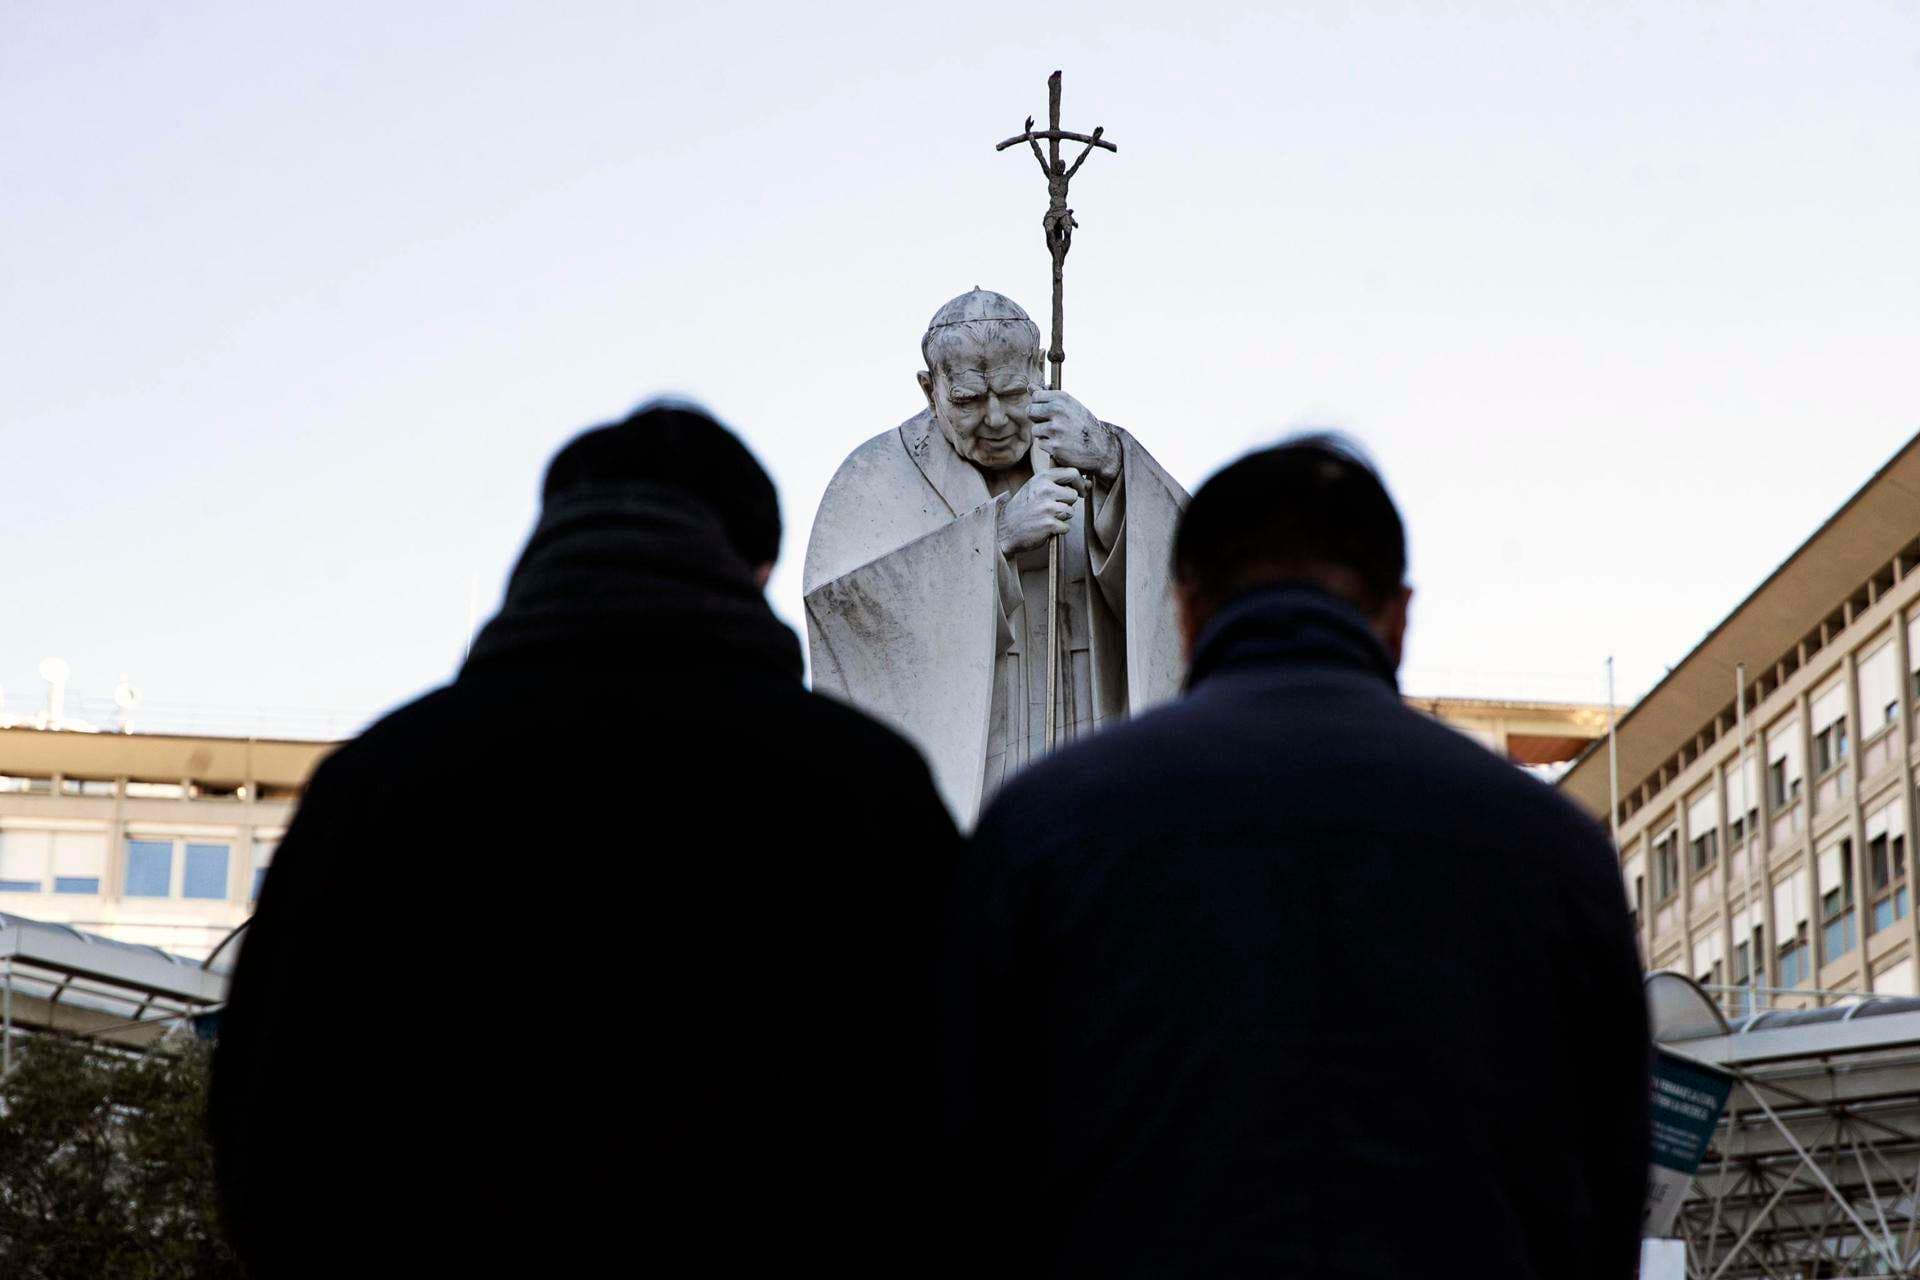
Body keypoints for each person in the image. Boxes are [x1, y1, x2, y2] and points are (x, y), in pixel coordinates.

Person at [211, 402, 960, 1276]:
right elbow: (959, 1120)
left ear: (543, 550)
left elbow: (264, 1142)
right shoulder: (864, 789)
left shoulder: (375, 789)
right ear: (756, 567)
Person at [933, 435, 1649, 1277]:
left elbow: (962, 1178)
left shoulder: (1043, 827)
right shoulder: (1553, 848)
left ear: (1187, 609)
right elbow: (1605, 1194)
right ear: (1399, 615)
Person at [804, 289, 1187, 823]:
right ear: (928, 388)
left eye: (1013, 394)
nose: (996, 419)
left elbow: (1195, 580)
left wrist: (1115, 466)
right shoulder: (873, 479)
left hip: (1092, 740)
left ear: (1038, 372)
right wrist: (994, 538)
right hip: (971, 772)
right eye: (967, 401)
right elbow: (846, 620)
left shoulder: (1090, 451)